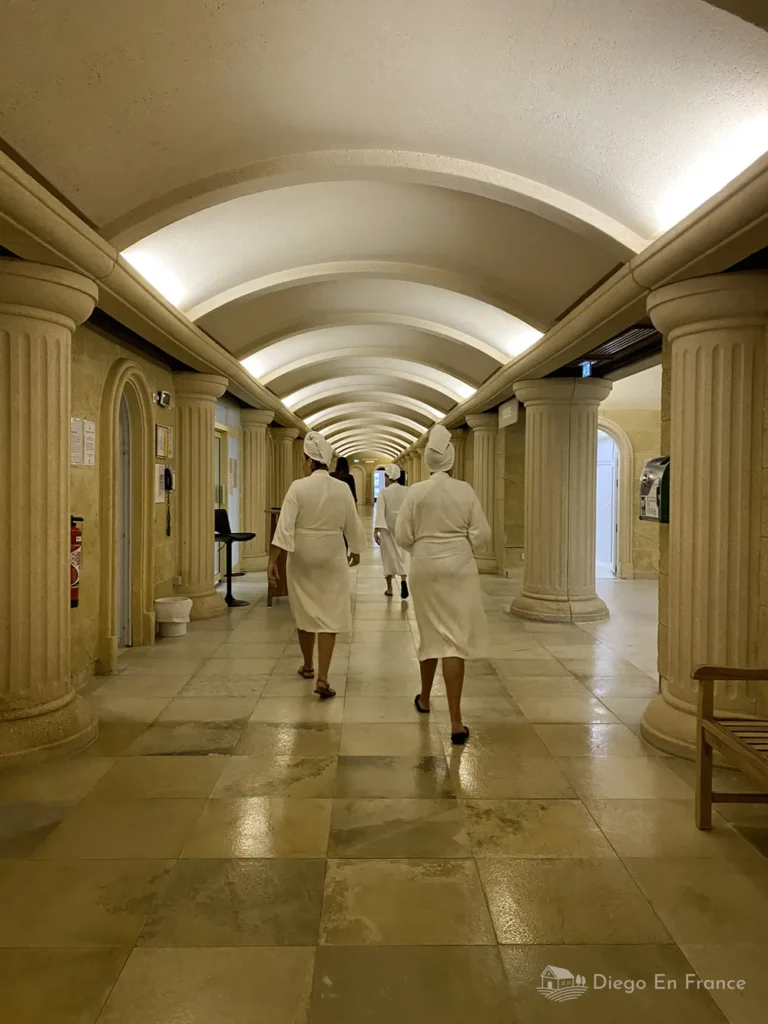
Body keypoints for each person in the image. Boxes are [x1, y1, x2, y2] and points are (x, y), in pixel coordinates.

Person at [396, 424, 491, 744]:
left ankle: (424, 698)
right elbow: (482, 534)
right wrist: (461, 548)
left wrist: (423, 550)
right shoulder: (465, 490)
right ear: (450, 459)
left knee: (430, 632)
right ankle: (455, 721)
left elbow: (402, 536)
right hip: (459, 567)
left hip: (423, 567)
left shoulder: (416, 492)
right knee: (454, 640)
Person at [268, 431, 365, 699]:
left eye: (304, 460)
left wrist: (272, 561)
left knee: (305, 609)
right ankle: (323, 676)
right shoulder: (342, 488)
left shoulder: (298, 487)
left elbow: (284, 526)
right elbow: (352, 521)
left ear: (310, 462)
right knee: (330, 612)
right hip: (332, 552)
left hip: (303, 553)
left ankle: (308, 665)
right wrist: (355, 549)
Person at [374, 463, 410, 599]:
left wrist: (376, 530)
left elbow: (380, 511)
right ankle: (403, 580)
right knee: (403, 555)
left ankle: (389, 588)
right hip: (402, 528)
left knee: (388, 557)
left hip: (387, 530)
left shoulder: (384, 492)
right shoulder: (407, 490)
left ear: (388, 477)